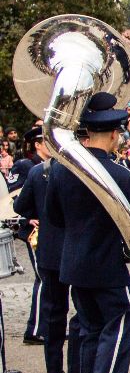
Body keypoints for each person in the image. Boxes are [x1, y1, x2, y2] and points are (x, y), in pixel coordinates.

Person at [44, 93, 130, 373]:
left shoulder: (60, 171)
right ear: (114, 134)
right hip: (107, 264)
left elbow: (54, 218)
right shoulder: (120, 175)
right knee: (116, 327)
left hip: (74, 262)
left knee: (88, 329)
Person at [11, 141, 81, 373]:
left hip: (50, 248)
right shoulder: (81, 170)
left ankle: (53, 370)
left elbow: (20, 206)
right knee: (82, 311)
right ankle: (76, 372)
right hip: (76, 248)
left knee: (53, 310)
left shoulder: (37, 172)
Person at [9, 128, 43, 345]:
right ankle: (36, 329)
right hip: (33, 230)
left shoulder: (50, 167)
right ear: (37, 144)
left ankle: (42, 325)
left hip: (48, 229)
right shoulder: (26, 166)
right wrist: (25, 219)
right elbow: (11, 198)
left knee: (48, 280)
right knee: (43, 280)